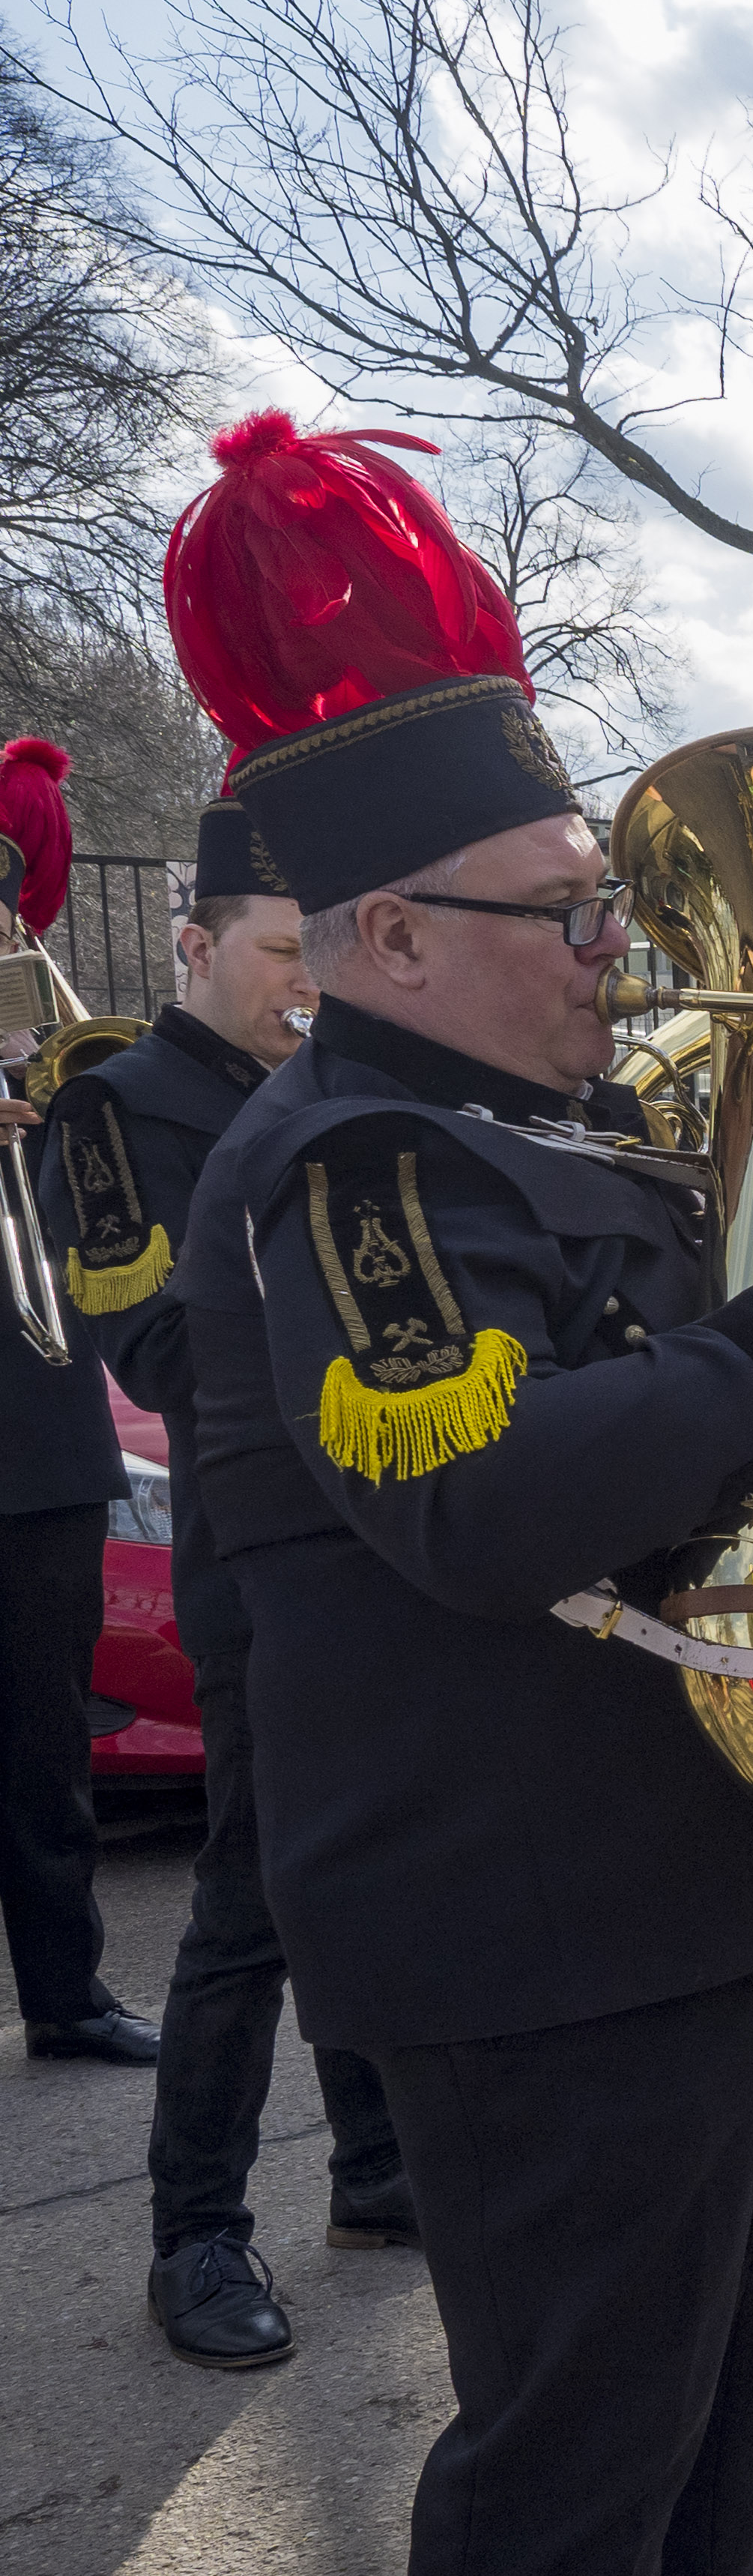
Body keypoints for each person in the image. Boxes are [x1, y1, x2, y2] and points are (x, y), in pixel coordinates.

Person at [166, 409, 753, 2576]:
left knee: (739, 2350)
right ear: (388, 934)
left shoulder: (586, 1132)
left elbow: (710, 1429)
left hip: (724, 1868)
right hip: (531, 1920)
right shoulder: (350, 1173)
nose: (616, 945)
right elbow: (480, 1496)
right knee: (568, 2433)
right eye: (569, 909)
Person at [37, 798, 413, 2371]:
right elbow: (163, 1352)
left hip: (389, 1545)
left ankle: (378, 2173)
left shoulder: (339, 1086)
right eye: (278, 955)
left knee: (379, 1874)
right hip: (258, 1559)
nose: (305, 986)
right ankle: (194, 2231)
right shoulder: (113, 1111)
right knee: (253, 1897)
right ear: (194, 946)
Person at [0, 738, 160, 2080]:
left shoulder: (40, 1028)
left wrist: (53, 1111)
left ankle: (67, 1989)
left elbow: (110, 1243)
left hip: (37, 1426)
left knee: (45, 1735)